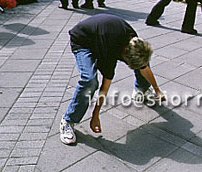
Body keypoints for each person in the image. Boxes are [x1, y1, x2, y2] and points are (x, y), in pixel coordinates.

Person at [59, 14, 166, 145]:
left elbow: (144, 67)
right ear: (125, 51)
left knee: (142, 61)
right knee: (90, 80)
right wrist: (95, 115)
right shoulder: (110, 51)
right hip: (82, 40)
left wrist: (157, 90)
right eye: (127, 63)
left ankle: (141, 90)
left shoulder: (135, 42)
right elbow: (105, 86)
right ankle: (68, 120)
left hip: (102, 33)